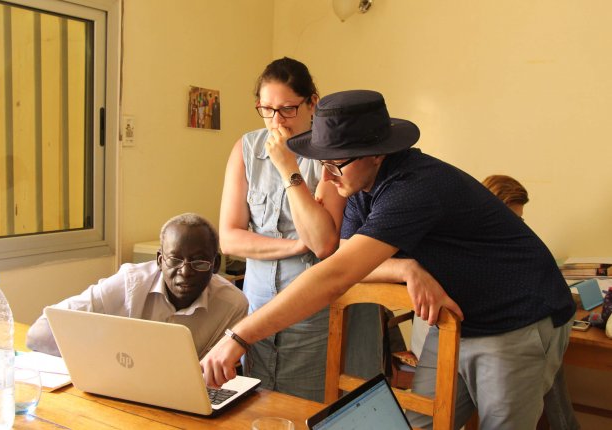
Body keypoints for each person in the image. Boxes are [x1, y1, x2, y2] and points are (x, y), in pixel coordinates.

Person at [202, 90, 576, 429]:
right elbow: (344, 255)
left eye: (337, 165)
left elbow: (336, 275)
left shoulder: (414, 188)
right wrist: (404, 266)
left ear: (377, 152)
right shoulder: (361, 184)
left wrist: (240, 335)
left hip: (518, 318)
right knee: (413, 423)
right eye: (323, 164)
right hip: (459, 318)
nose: (328, 178)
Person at [218, 58, 384, 402]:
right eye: (266, 109)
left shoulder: (331, 151)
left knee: (308, 406)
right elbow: (229, 238)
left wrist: (286, 166)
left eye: (287, 109)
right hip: (260, 304)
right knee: (259, 406)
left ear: (313, 103)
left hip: (315, 311)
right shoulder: (246, 149)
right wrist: (295, 246)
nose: (276, 121)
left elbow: (323, 242)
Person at [26, 213, 248, 359]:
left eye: (199, 262)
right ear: (160, 260)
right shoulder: (128, 283)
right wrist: (108, 359)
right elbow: (39, 333)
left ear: (215, 264)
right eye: (175, 260)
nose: (185, 271)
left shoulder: (232, 305)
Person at [482, 174, 580, 430]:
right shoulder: (472, 249)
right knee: (544, 360)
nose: (517, 229)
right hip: (493, 342)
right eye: (511, 220)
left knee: (547, 355)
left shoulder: (514, 245)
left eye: (520, 221)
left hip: (525, 331)